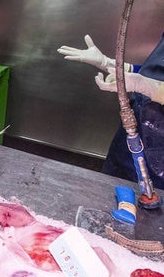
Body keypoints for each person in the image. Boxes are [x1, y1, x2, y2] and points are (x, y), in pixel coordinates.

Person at [58, 32, 164, 189]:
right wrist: (109, 63)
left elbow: (151, 83)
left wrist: (147, 87)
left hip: (158, 158)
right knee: (111, 190)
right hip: (133, 136)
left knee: (151, 205)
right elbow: (155, 72)